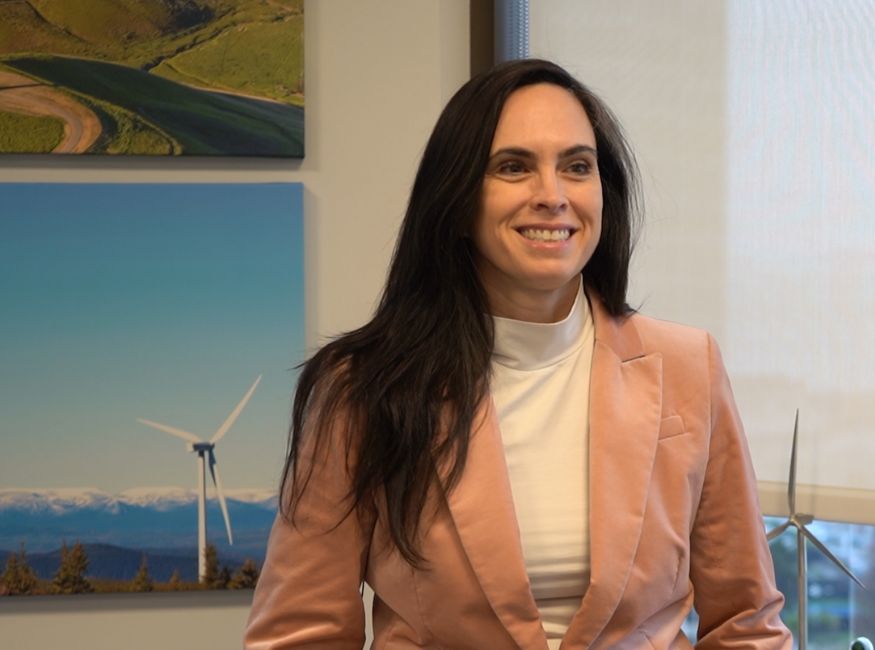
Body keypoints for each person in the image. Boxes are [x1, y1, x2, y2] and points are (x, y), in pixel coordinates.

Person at [243, 59, 791, 649]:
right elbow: (301, 633)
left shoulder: (689, 366)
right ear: (456, 198)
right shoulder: (363, 387)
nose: (552, 196)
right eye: (514, 167)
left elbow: (746, 624)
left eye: (577, 167)